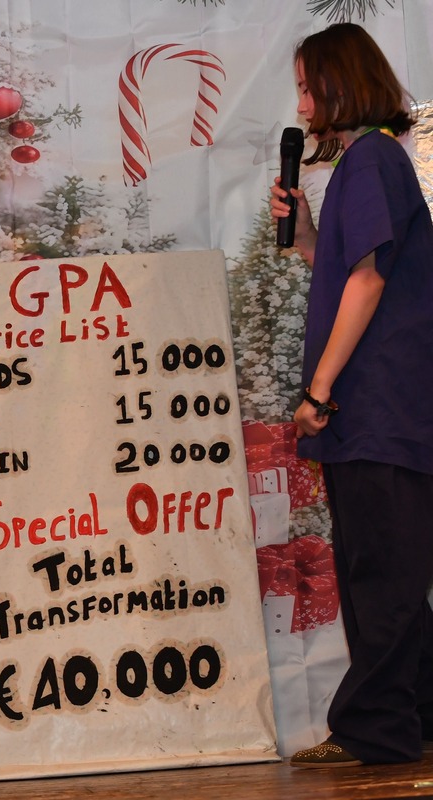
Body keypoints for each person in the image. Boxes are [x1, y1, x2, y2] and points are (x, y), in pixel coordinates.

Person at [270, 22, 433, 768]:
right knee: (385, 566)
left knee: (382, 572)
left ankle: (376, 727)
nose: (303, 104)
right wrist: (307, 236)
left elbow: (368, 281)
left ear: (342, 83)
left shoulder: (369, 158)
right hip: (378, 406)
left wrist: (321, 390)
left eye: (309, 87)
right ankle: (413, 715)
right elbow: (350, 272)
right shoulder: (371, 162)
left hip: (378, 403)